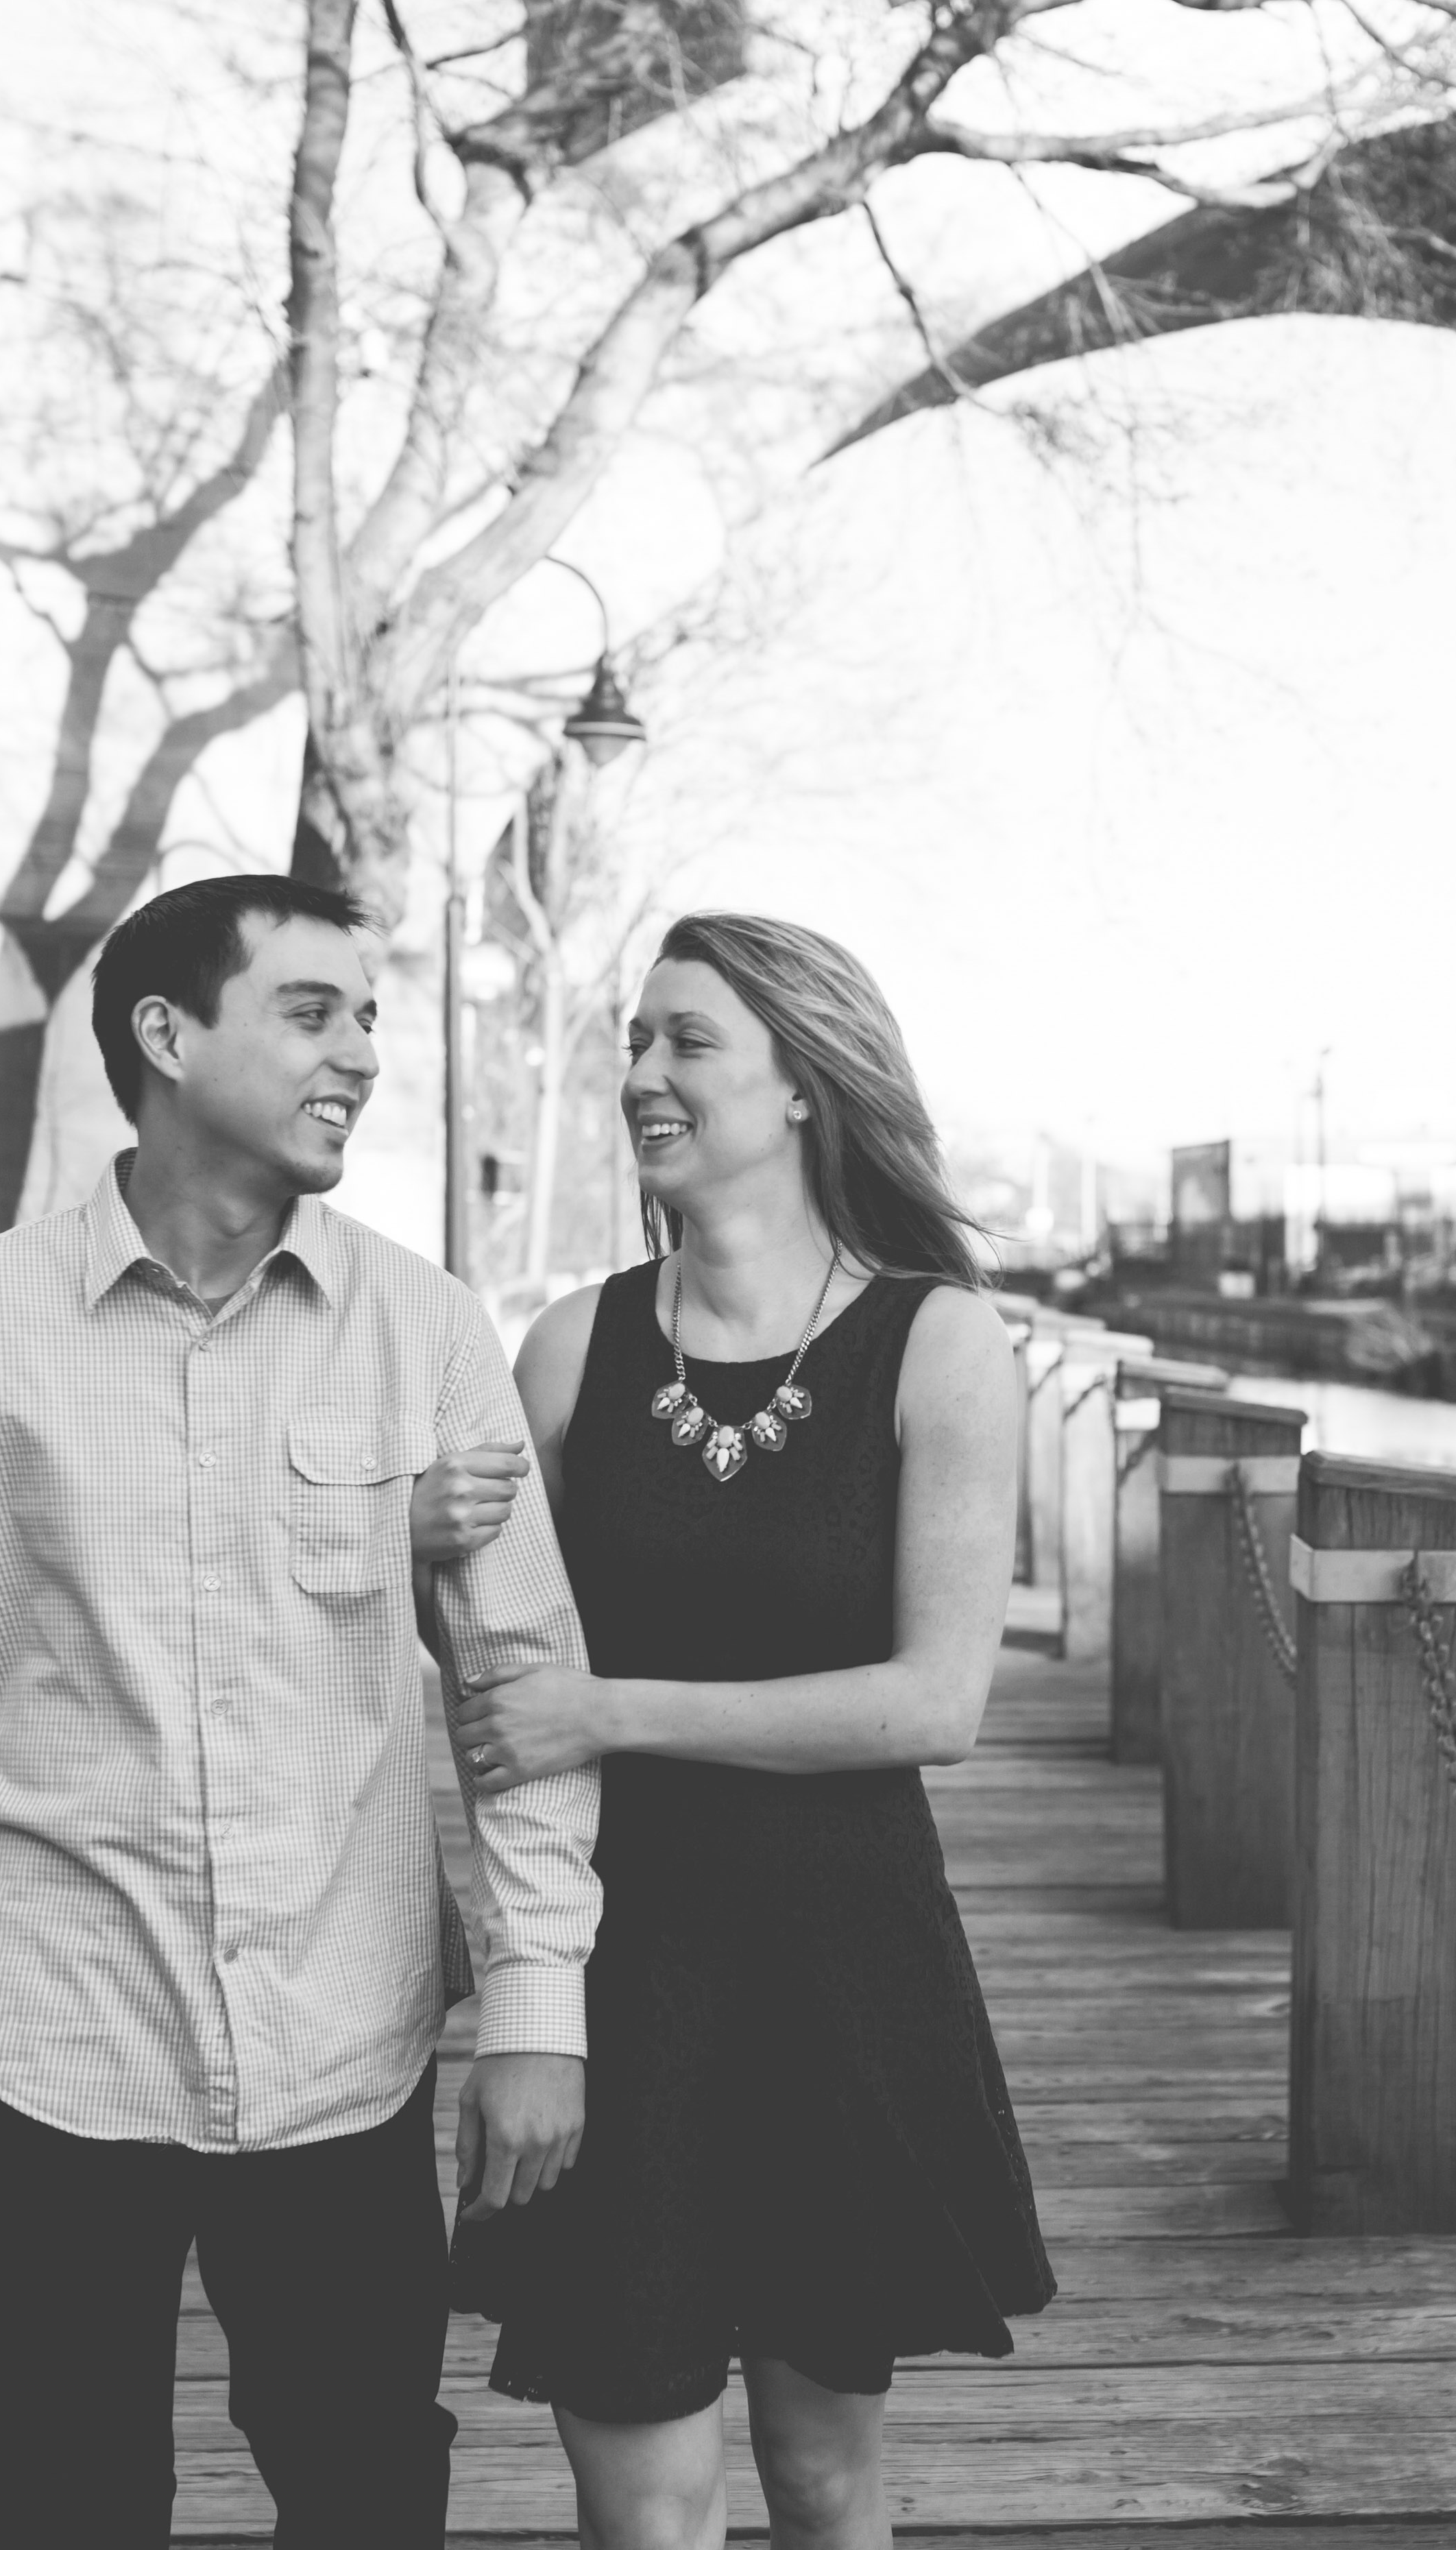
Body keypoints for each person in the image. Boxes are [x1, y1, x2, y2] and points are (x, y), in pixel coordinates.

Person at [0, 874, 603, 2549]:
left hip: (342, 2047)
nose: (361, 1053)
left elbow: (522, 1688)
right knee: (63, 2510)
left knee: (368, 2498)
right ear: (166, 1035)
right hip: (50, 2050)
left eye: (369, 1017)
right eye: (311, 1011)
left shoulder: (426, 1332)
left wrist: (536, 2004)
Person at [441, 911, 1054, 2550]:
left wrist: (611, 1710)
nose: (641, 1072)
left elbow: (938, 1701)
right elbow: (487, 1661)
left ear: (802, 1084)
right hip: (618, 1963)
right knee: (641, 2493)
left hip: (842, 1965)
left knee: (822, 2468)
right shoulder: (571, 1348)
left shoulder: (937, 1342)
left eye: (687, 1040)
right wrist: (419, 1547)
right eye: (634, 1041)